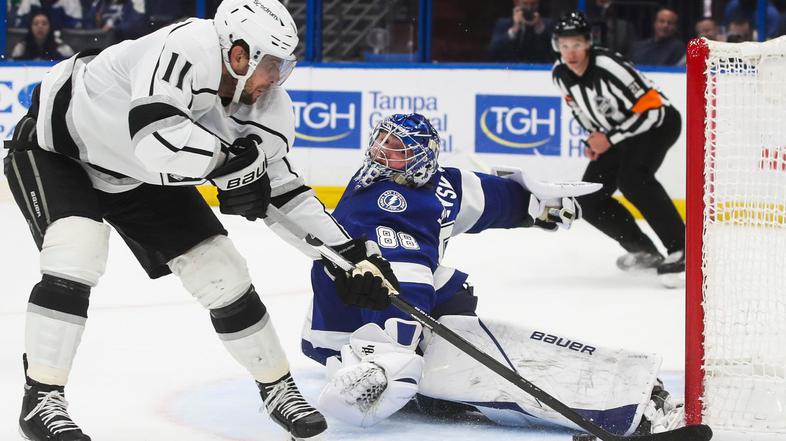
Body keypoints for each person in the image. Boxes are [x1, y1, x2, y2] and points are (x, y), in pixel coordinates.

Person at [2, 1, 399, 440]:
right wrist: (233, 167)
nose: (275, 80)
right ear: (239, 53)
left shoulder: (265, 107)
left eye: (284, 67)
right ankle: (41, 400)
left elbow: (283, 192)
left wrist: (349, 256)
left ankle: (277, 387)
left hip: (137, 173)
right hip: (60, 151)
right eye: (270, 65)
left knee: (221, 271)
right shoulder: (186, 46)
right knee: (77, 249)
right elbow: (155, 138)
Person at [298, 113, 685, 434]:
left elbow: (489, 198)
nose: (382, 155)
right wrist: (392, 354)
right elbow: (404, 275)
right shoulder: (382, 202)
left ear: (421, 161)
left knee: (457, 291)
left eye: (396, 149)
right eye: (381, 144)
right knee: (449, 345)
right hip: (352, 327)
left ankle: (420, 364)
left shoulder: (442, 183)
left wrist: (536, 205)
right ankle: (622, 407)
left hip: (389, 306)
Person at [550, 12, 685, 286]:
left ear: (588, 42)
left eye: (576, 44)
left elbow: (654, 110)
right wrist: (593, 138)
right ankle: (644, 252)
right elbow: (580, 110)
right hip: (619, 134)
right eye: (564, 46)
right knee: (588, 197)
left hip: (659, 124)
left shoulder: (609, 66)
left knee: (634, 178)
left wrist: (609, 139)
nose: (570, 52)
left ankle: (684, 249)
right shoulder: (560, 74)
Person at [488, 0, 554, 63]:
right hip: (510, 69)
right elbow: (493, 50)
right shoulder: (504, 24)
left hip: (538, 69)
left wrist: (541, 30)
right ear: (517, 3)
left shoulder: (547, 24)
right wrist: (514, 29)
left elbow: (556, 51)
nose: (529, 8)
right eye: (525, 4)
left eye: (533, 4)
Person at [14, 0, 83, 29]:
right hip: (32, 45)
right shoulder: (29, 1)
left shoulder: (71, 1)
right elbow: (19, 27)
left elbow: (77, 30)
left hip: (65, 43)